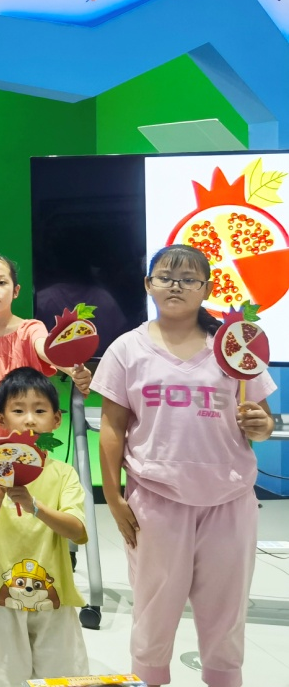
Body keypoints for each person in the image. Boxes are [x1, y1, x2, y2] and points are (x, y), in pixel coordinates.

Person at [94, 245, 276, 687]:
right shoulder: (126, 349)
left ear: (207, 288)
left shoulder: (234, 346)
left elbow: (263, 422)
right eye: (166, 276)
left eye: (189, 279)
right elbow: (112, 427)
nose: (176, 285)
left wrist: (261, 424)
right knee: (154, 612)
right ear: (148, 284)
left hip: (229, 500)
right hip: (156, 499)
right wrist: (114, 498)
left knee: (225, 612)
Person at [0, 253, 92, 561]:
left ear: (15, 290)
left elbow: (47, 349)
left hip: (22, 427)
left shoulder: (30, 328)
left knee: (26, 494)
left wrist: (71, 369)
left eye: (2, 282)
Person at [0, 368, 89, 686]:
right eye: (18, 411)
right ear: (1, 419)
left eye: (40, 410)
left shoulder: (64, 474)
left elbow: (77, 531)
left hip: (54, 594)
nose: (29, 420)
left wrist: (35, 506)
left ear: (56, 420)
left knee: (61, 674)